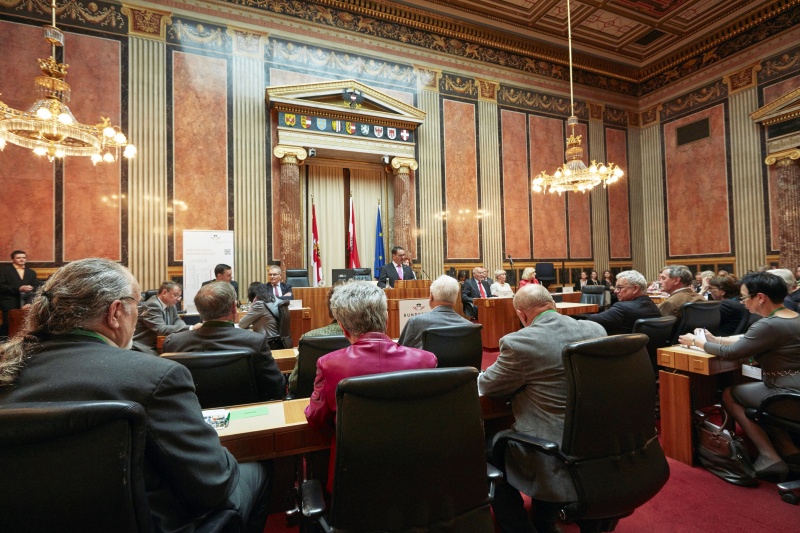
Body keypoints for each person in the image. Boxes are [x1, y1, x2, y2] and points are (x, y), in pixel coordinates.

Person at [0, 258, 270, 533]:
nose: (139, 314)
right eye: (137, 305)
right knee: (254, 473)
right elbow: (214, 482)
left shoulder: (6, 370)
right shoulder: (155, 376)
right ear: (115, 312)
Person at [479, 284, 606, 533]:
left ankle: (518, 527)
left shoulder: (519, 342)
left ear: (522, 314)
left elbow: (488, 385)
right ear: (553, 304)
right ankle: (547, 512)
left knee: (490, 448)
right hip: (598, 443)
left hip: (550, 452)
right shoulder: (596, 329)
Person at [304, 281, 437, 492]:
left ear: (343, 328)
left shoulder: (329, 365)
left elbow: (317, 419)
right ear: (386, 319)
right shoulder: (426, 360)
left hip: (354, 484)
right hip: (416, 478)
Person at [679, 272, 800, 480]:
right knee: (754, 395)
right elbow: (750, 340)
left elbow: (731, 353)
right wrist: (716, 339)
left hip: (786, 394)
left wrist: (695, 342)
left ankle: (769, 456)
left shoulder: (768, 324)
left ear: (760, 297)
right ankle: (789, 451)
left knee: (730, 394)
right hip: (792, 388)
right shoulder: (792, 317)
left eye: (745, 297)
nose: (743, 303)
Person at [163, 281, 285, 401]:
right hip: (247, 412)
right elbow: (276, 387)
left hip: (194, 415)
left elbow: (169, 391)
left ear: (199, 310)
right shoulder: (254, 341)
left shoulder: (172, 343)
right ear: (233, 307)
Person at [287, 284, 344, 395]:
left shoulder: (308, 337)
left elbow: (294, 383)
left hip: (311, 401)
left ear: (331, 307)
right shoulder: (363, 338)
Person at [398, 275, 473, 348]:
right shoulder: (470, 326)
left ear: (431, 296)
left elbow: (400, 353)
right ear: (455, 299)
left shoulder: (415, 322)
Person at [585, 270, 661, 335]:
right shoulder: (653, 307)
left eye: (619, 287)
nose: (615, 291)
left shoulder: (622, 308)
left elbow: (591, 321)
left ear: (635, 289)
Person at [132, 280, 192, 355]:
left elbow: (176, 319)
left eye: (179, 296)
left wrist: (183, 328)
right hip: (144, 347)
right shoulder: (152, 305)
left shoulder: (171, 305)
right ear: (164, 292)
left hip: (160, 344)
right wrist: (190, 328)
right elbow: (161, 330)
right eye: (176, 295)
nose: (178, 299)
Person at [0, 250, 39, 339]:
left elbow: (37, 286)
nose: (21, 259)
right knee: (7, 325)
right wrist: (18, 289)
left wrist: (32, 287)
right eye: (18, 258)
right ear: (13, 259)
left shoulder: (31, 272)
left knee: (24, 326)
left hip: (26, 303)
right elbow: (1, 286)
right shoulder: (4, 271)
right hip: (9, 302)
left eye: (23, 257)